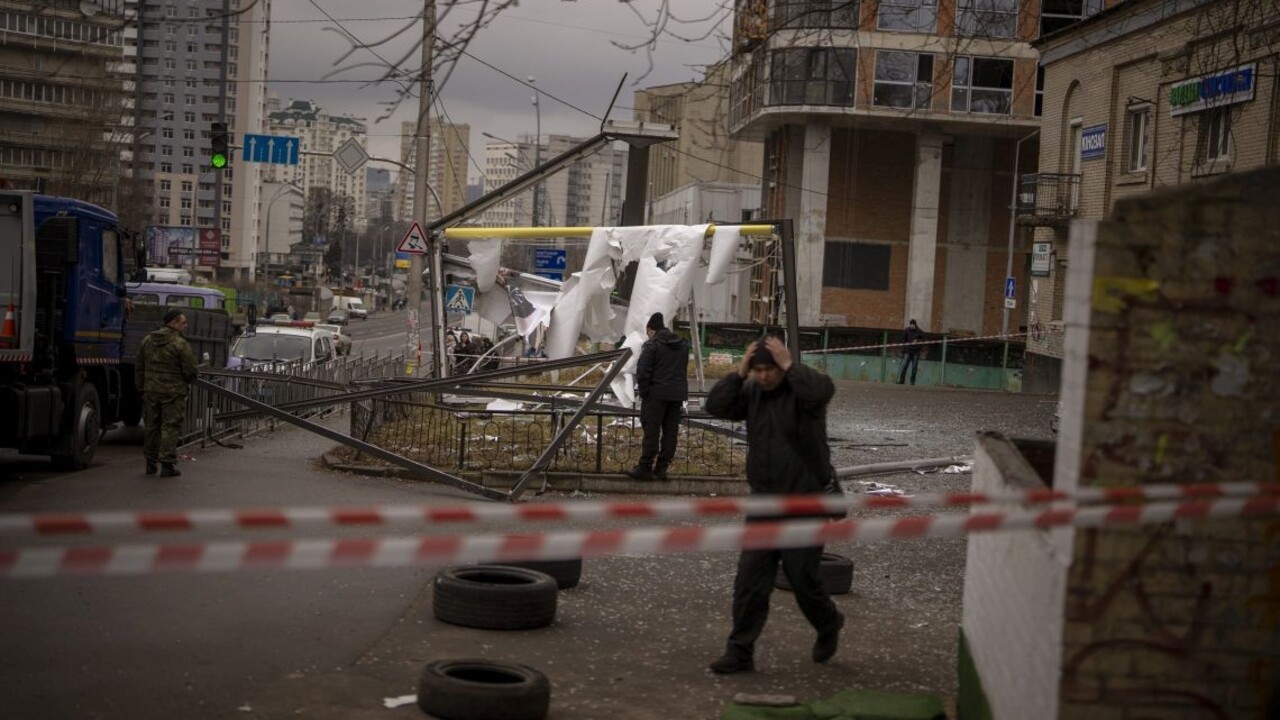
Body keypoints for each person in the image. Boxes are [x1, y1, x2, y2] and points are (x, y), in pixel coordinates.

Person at [703, 335, 844, 674]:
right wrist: (739, 374)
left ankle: (829, 623)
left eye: (770, 370)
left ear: (781, 366)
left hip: (804, 501)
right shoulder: (751, 391)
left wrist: (790, 366)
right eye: (759, 370)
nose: (764, 377)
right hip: (764, 502)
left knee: (802, 579)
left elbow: (823, 391)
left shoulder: (803, 392)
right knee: (750, 579)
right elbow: (715, 407)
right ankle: (740, 651)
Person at [626, 312, 689, 480]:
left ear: (651, 330)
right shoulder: (682, 345)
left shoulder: (652, 345)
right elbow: (682, 370)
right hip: (676, 396)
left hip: (656, 395)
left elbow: (643, 372)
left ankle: (645, 467)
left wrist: (645, 393)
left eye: (648, 332)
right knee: (670, 433)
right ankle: (662, 468)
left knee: (651, 431)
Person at [136, 309, 198, 477]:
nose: (186, 326)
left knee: (152, 426)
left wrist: (142, 387)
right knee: (170, 427)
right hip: (173, 392)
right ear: (174, 322)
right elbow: (191, 368)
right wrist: (188, 380)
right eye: (183, 323)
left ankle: (150, 463)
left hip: (151, 391)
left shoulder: (147, 340)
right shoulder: (179, 343)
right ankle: (167, 465)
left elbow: (140, 367)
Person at [898, 319, 924, 385]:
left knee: (914, 367)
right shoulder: (907, 330)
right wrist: (903, 350)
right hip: (908, 351)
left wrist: (917, 341)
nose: (912, 326)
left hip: (916, 352)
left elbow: (923, 341)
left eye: (913, 324)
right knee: (904, 366)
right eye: (911, 324)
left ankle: (912, 381)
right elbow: (903, 340)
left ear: (915, 325)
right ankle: (901, 380)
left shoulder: (920, 332)